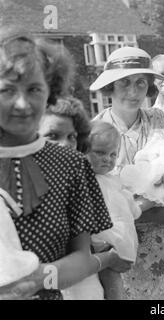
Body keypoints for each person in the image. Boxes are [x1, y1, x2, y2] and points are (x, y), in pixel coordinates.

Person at [0, 27, 131, 300]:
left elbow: (82, 258)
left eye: (34, 89)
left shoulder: (71, 164)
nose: (22, 104)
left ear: (50, 92)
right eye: (8, 90)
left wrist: (38, 279)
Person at [89, 46, 164, 299]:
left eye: (141, 83)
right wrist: (145, 213)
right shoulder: (94, 133)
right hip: (122, 256)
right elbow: (91, 203)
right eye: (124, 83)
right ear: (110, 87)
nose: (133, 92)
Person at [63, 121, 140, 300]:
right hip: (99, 243)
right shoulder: (82, 180)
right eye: (100, 153)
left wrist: (135, 209)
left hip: (119, 243)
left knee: (118, 282)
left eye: (113, 154)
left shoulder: (112, 180)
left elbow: (128, 202)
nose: (108, 159)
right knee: (111, 283)